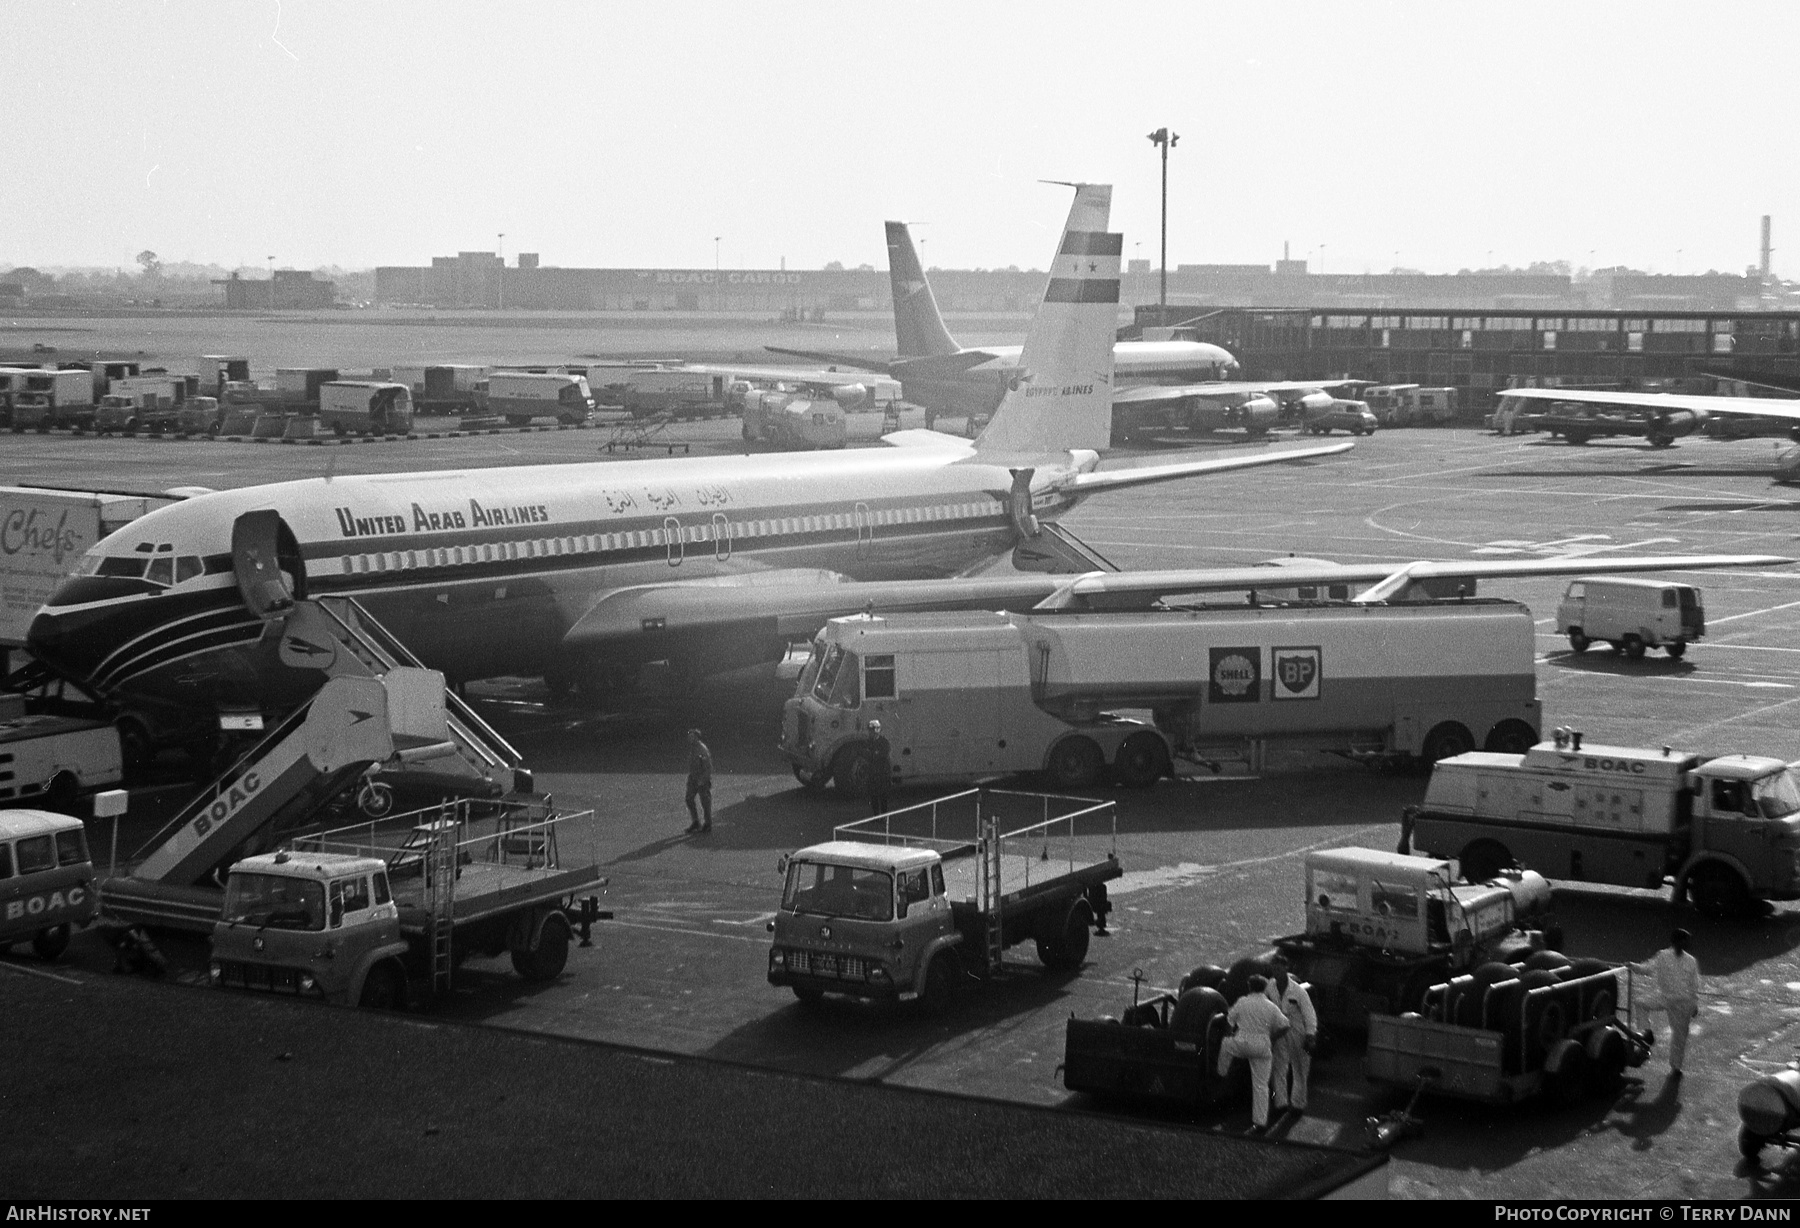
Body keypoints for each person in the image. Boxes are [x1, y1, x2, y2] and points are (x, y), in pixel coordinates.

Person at [1216, 973, 1290, 1134]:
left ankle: (1221, 1073)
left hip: (1242, 1043)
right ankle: (1260, 1123)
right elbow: (1285, 1025)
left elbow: (1229, 1021)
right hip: (1262, 1046)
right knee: (1261, 1086)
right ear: (1264, 988)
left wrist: (1230, 1034)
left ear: (1249, 987)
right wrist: (1272, 1038)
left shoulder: (1243, 1002)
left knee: (1226, 1044)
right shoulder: (1270, 1006)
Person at [1633, 928, 1702, 1077]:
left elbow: (1694, 984)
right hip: (1664, 996)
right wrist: (1633, 966)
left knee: (1679, 1036)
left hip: (1683, 1002)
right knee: (1640, 1003)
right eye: (1684, 941)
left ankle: (1676, 1067)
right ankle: (1647, 1032)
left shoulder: (1690, 961)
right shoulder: (1662, 956)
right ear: (1676, 942)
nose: (1687, 944)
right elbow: (1647, 968)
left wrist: (1694, 1004)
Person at [1266, 953, 1319, 1118]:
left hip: (1297, 1032)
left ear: (1286, 969)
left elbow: (1309, 1014)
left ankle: (1298, 1104)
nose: (1277, 972)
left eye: (1279, 968)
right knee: (1278, 1067)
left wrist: (1310, 1035)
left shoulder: (1298, 991)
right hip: (1279, 1031)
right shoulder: (1270, 987)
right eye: (1274, 969)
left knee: (1300, 1069)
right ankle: (1281, 1103)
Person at [684, 728, 713, 834]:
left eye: (692, 737)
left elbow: (708, 767)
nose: (689, 739)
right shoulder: (693, 748)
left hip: (701, 779)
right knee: (689, 799)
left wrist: (703, 780)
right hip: (693, 778)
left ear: (696, 738)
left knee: (705, 802)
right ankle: (696, 821)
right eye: (689, 737)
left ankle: (708, 824)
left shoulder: (702, 750)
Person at [865, 720, 892, 816]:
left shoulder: (884, 742)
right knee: (873, 796)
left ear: (877, 730)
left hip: (882, 773)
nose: (870, 732)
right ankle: (876, 815)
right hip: (873, 773)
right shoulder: (868, 742)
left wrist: (874, 755)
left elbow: (881, 756)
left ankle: (884, 815)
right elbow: (866, 755)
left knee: (883, 796)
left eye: (871, 730)